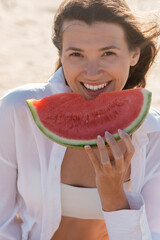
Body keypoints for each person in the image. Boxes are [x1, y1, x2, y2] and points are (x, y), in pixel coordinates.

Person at [0, 0, 160, 239]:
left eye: (108, 53)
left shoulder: (153, 133)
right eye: (77, 54)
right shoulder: (18, 111)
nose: (92, 72)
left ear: (134, 54)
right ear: (61, 55)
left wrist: (114, 194)